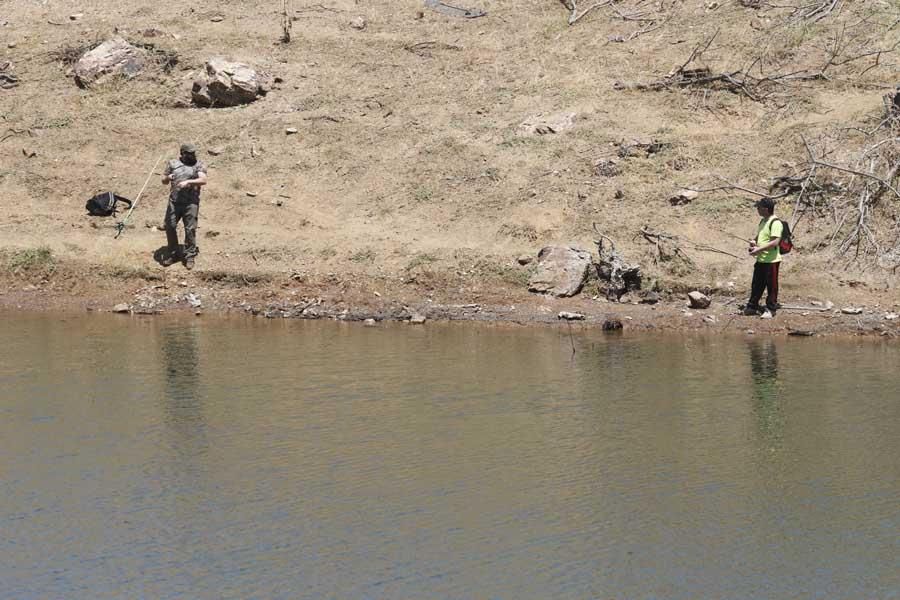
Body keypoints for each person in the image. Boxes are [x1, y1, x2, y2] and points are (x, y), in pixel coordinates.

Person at [160, 143, 207, 270]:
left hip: (191, 203)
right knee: (170, 226)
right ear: (182, 153)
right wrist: (168, 177)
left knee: (190, 229)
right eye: (189, 153)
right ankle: (173, 253)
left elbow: (203, 180)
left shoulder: (199, 164)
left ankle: (189, 255)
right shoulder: (173, 163)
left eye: (193, 153)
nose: (192, 155)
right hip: (174, 201)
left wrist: (189, 182)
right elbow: (163, 180)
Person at [744, 198, 783, 318]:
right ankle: (752, 306)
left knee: (771, 286)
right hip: (761, 260)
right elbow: (760, 235)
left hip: (771, 261)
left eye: (758, 207)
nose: (757, 209)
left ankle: (771, 309)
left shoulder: (775, 222)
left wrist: (758, 250)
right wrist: (754, 241)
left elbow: (774, 242)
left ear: (765, 209)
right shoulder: (762, 221)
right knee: (756, 284)